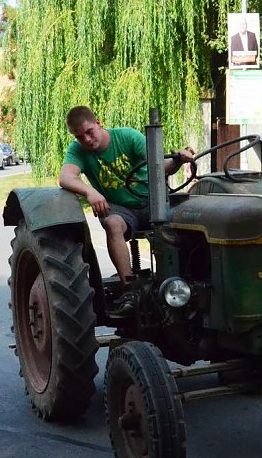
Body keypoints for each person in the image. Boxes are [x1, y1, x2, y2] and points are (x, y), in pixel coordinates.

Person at [58, 106, 194, 313]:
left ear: (98, 122)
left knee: (188, 217)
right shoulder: (78, 150)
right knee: (112, 223)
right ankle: (129, 288)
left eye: (89, 132)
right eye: (79, 136)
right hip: (121, 210)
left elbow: (159, 165)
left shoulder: (127, 137)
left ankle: (178, 284)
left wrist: (177, 159)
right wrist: (90, 192)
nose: (85, 139)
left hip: (152, 203)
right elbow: (66, 177)